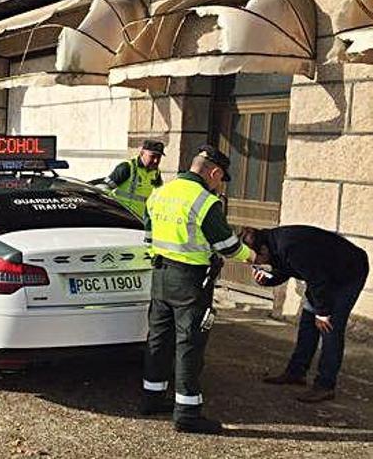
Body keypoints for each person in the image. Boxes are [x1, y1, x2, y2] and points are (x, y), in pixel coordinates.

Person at [141, 145, 256, 435]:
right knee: (189, 345)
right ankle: (187, 414)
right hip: (191, 283)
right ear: (214, 172)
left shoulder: (159, 193)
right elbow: (227, 246)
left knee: (158, 339)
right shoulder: (205, 202)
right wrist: (254, 258)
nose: (220, 185)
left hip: (160, 276)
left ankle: (151, 399)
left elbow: (147, 236)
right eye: (221, 179)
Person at [241, 225, 369, 403]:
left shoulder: (289, 247)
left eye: (256, 258)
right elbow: (285, 269)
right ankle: (296, 373)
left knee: (330, 328)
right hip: (323, 274)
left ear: (262, 249)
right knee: (308, 323)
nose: (256, 263)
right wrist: (267, 280)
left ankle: (325, 385)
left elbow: (318, 280)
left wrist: (323, 313)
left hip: (348, 272)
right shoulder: (273, 244)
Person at [102, 139, 164, 218]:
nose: (156, 160)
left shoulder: (156, 173)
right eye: (152, 156)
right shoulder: (127, 167)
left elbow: (159, 197)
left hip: (139, 221)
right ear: (142, 153)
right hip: (121, 218)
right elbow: (104, 188)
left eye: (159, 157)